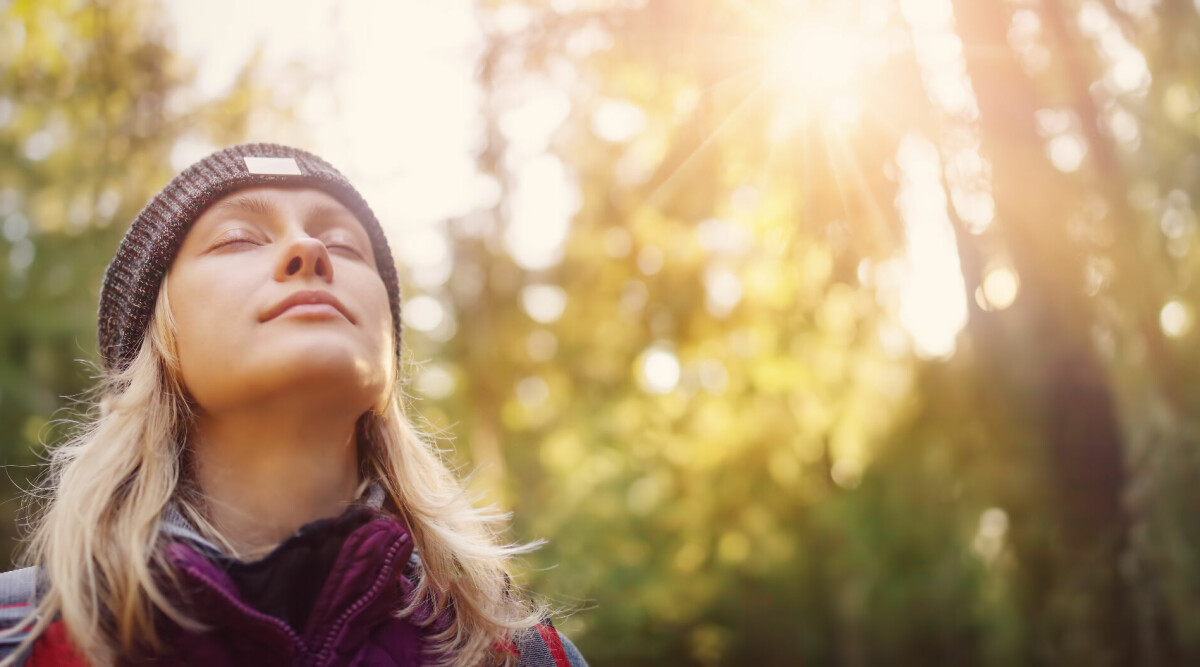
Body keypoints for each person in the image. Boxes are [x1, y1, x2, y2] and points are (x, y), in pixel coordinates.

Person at [0, 144, 586, 666]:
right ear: (157, 340)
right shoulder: (18, 638)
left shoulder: (519, 653)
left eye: (344, 245)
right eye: (238, 238)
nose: (308, 248)